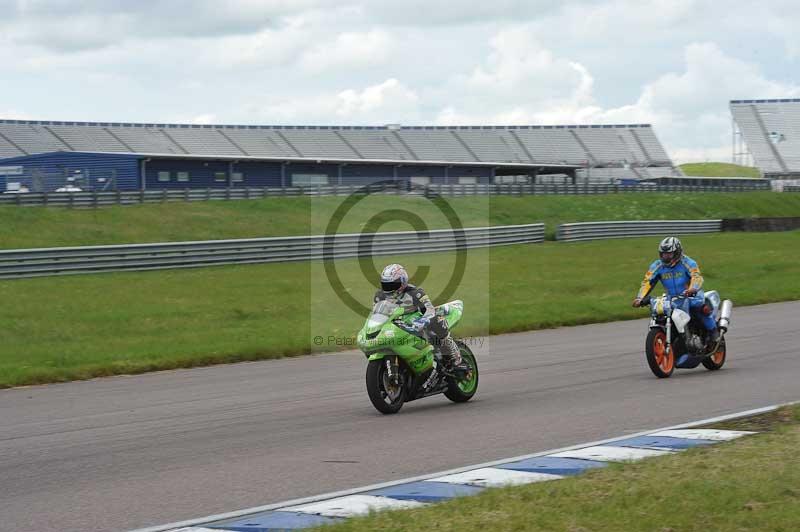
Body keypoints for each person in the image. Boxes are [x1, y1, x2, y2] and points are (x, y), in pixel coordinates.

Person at [376, 263, 470, 374]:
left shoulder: (415, 293)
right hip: (396, 324)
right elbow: (376, 314)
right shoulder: (380, 296)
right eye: (386, 285)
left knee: (437, 320)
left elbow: (429, 310)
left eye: (392, 285)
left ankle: (456, 359)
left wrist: (420, 322)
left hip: (417, 322)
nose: (389, 288)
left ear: (403, 282)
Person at [632, 237, 719, 346]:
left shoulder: (688, 262)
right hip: (673, 298)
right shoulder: (657, 265)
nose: (665, 257)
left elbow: (696, 277)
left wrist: (693, 288)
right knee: (662, 313)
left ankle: (713, 332)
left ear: (677, 252)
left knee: (700, 308)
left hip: (691, 294)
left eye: (669, 254)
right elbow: (647, 282)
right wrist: (640, 298)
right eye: (663, 254)